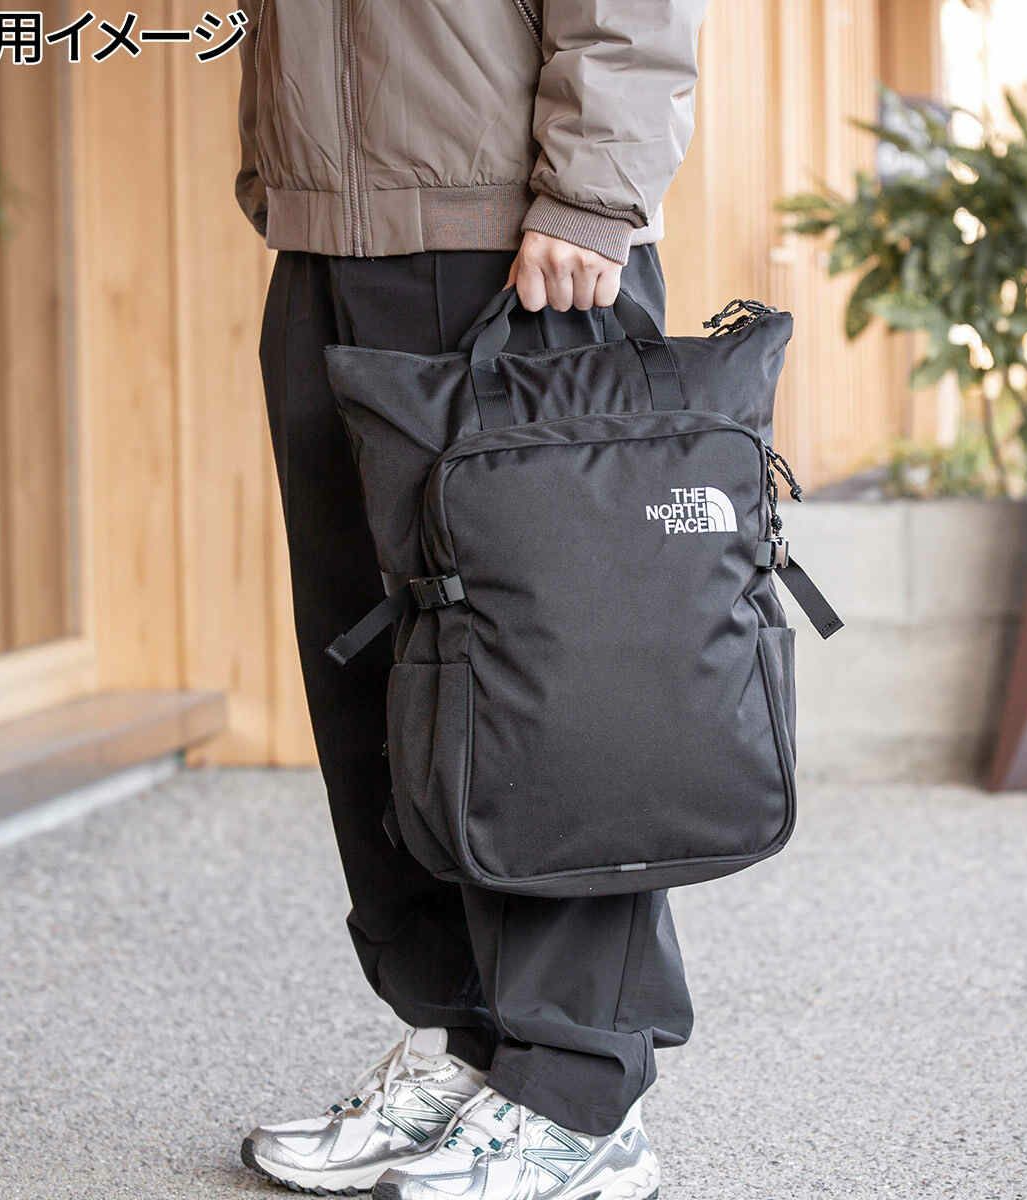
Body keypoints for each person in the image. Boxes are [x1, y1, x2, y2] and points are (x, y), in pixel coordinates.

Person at [237, 4, 707, 1197]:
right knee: (379, 670)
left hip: (513, 242)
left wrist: (591, 192)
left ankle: (581, 1094)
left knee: (540, 694)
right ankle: (474, 1047)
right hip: (331, 241)